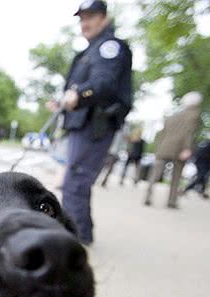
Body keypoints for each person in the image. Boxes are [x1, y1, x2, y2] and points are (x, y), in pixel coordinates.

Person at [46, 0, 132, 245]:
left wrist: (79, 94)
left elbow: (104, 84)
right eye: (82, 18)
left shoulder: (109, 47)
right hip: (81, 122)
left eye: (90, 17)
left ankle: (73, 239)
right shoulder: (90, 50)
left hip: (95, 124)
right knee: (75, 181)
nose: (85, 23)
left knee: (75, 182)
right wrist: (63, 102)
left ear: (104, 18)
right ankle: (81, 232)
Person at [144, 92, 202, 208]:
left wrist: (158, 148)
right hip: (179, 149)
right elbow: (188, 133)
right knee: (176, 176)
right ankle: (172, 201)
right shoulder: (194, 115)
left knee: (155, 174)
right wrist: (187, 148)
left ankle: (148, 197)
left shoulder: (172, 117)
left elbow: (162, 134)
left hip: (164, 147)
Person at [182, 129, 210, 198]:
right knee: (202, 176)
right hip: (206, 162)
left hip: (199, 160)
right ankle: (186, 189)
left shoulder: (208, 141)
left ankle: (202, 192)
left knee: (203, 177)